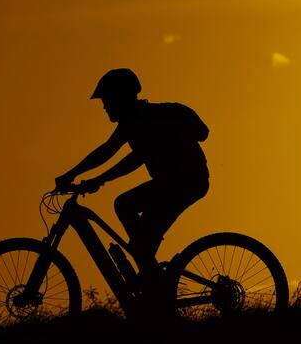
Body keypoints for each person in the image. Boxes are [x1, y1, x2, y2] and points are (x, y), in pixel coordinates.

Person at [55, 68, 210, 286]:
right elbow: (107, 151)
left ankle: (154, 281)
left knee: (126, 208)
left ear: (121, 97)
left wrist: (96, 179)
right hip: (175, 184)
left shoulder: (144, 119)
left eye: (107, 100)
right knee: (135, 230)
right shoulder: (132, 122)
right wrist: (74, 174)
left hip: (184, 183)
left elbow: (132, 158)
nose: (104, 106)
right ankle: (149, 271)